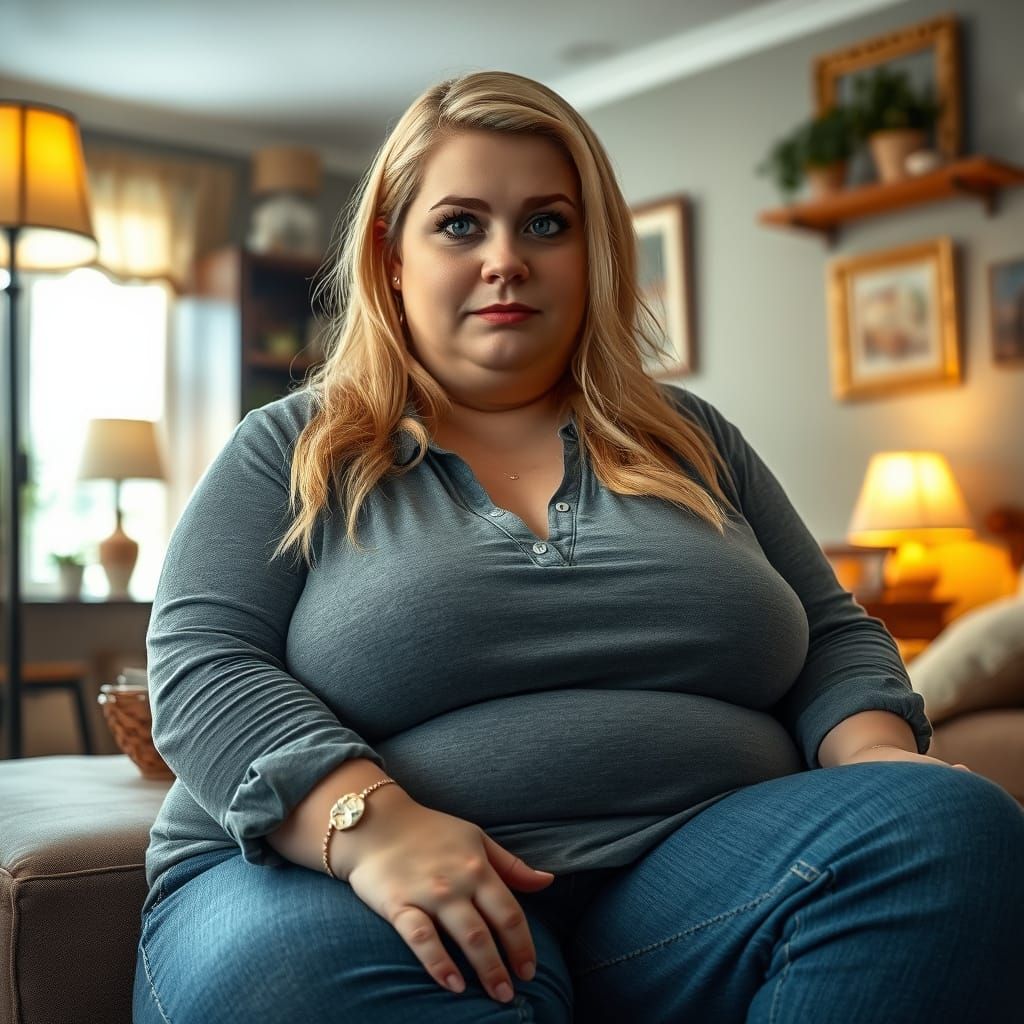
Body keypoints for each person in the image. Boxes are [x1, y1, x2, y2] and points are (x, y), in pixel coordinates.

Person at [133, 71, 1024, 1024]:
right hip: (337, 882)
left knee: (953, 831)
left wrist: (874, 753)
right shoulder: (290, 446)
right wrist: (371, 824)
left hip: (695, 888)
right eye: (460, 225)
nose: (506, 260)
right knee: (302, 990)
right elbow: (200, 664)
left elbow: (830, 632)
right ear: (392, 256)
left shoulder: (693, 437)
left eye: (547, 225)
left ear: (593, 252)